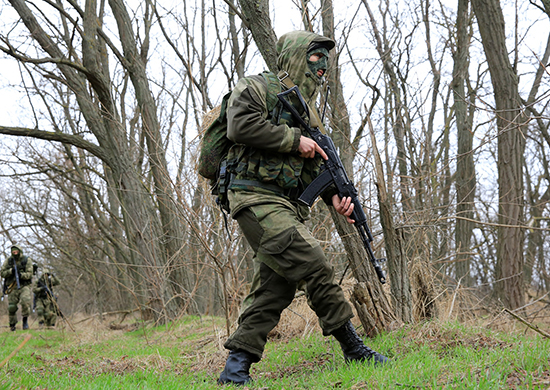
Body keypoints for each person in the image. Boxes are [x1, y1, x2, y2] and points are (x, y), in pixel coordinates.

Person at [217, 31, 389, 386]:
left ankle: (235, 371)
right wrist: (295, 140)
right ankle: (353, 347)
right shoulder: (255, 87)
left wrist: (334, 197)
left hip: (288, 206)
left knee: (274, 287)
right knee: (313, 261)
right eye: (314, 58)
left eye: (325, 63)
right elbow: (239, 126)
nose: (321, 67)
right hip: (252, 195)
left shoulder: (309, 114)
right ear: (295, 56)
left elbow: (316, 168)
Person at [0, 244, 34, 331]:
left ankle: (25, 320)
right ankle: (12, 324)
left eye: (16, 251)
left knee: (25, 302)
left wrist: (21, 275)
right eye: (13, 252)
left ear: (20, 251)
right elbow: (2, 273)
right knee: (12, 307)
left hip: (24, 285)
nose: (15, 253)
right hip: (12, 286)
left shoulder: (27, 260)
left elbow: (30, 274)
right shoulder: (9, 261)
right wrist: (11, 271)